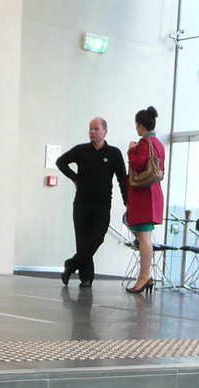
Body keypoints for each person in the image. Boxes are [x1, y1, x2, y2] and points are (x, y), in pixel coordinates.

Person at [57, 117, 128, 287]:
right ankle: (86, 278)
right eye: (90, 129)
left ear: (105, 131)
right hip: (82, 204)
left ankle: (71, 264)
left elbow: (122, 180)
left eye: (96, 129)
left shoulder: (114, 153)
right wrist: (76, 179)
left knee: (97, 238)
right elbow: (61, 162)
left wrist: (127, 201)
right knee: (82, 242)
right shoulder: (81, 150)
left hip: (102, 205)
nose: (92, 132)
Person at [125, 106, 165, 294]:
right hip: (153, 194)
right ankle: (145, 275)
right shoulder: (158, 143)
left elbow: (137, 164)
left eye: (137, 125)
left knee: (143, 238)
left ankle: (144, 276)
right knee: (145, 237)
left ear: (141, 125)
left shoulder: (143, 144)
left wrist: (131, 150)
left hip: (143, 196)